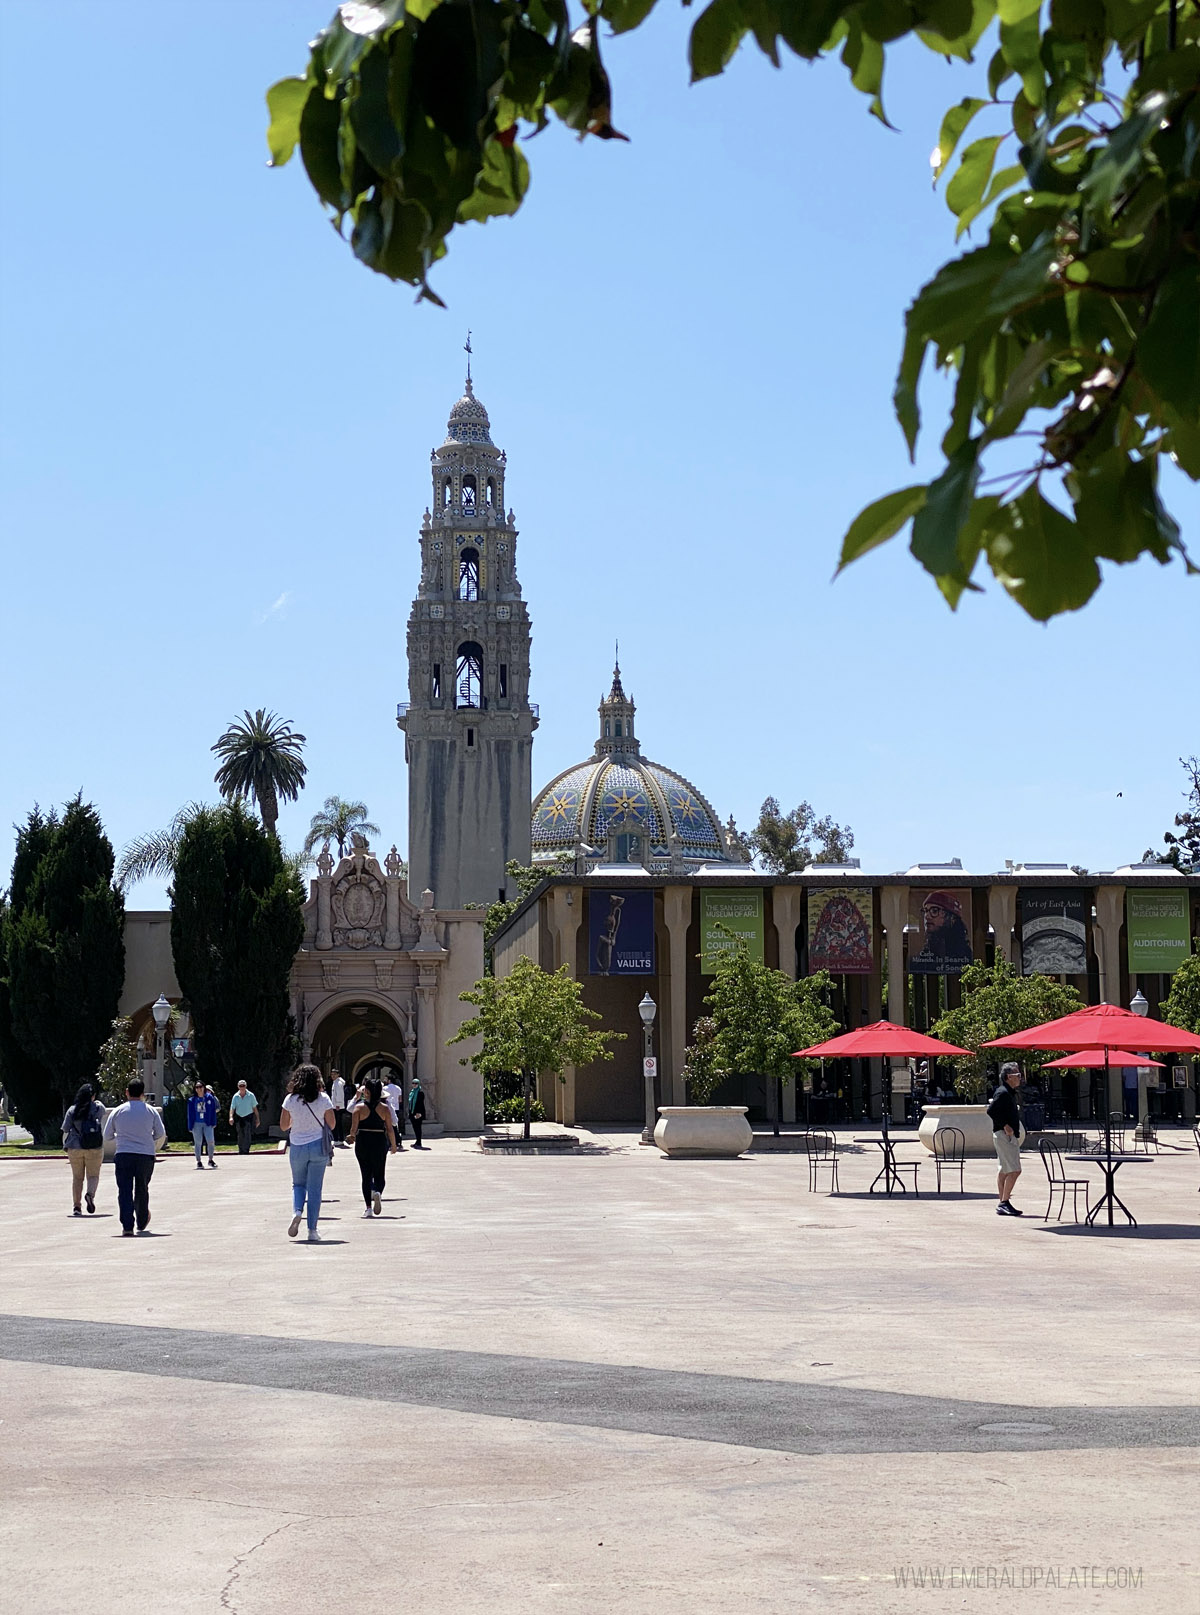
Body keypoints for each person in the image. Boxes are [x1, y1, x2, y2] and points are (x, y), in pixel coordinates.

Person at [280, 1063, 336, 1242]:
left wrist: (296, 1122)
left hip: (297, 1146)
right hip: (318, 1146)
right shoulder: (323, 1099)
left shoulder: (290, 1100)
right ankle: (312, 1229)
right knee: (315, 1189)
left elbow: (283, 1125)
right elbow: (332, 1124)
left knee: (298, 1184)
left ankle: (297, 1211)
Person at [102, 1078, 165, 1236]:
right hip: (145, 1155)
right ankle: (142, 1221)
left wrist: (121, 1136)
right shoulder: (150, 1111)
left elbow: (107, 1135)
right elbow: (160, 1133)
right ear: (143, 1094)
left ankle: (127, 1226)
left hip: (124, 1154)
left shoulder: (118, 1111)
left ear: (127, 1092)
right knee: (142, 1188)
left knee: (124, 1190)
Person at [346, 1077, 397, 1217]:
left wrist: (351, 1137)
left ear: (366, 1092)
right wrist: (393, 1145)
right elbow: (390, 1129)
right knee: (379, 1173)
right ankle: (377, 1192)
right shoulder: (385, 1108)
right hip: (379, 1140)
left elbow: (353, 1130)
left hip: (363, 1141)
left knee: (365, 1175)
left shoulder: (358, 1108)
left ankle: (368, 1208)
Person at [987, 1062, 1025, 1217]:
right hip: (1005, 1136)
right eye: (1018, 1075)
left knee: (1004, 1170)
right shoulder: (1003, 1093)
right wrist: (1005, 1125)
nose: (1020, 1078)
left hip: (1005, 1135)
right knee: (1015, 1170)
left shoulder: (1008, 1092)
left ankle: (1002, 1202)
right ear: (1009, 1077)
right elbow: (991, 1110)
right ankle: (1004, 1202)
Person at [62, 1082, 105, 1216]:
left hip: (75, 1146)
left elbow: (65, 1128)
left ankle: (76, 1206)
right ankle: (90, 1195)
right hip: (94, 1146)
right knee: (93, 1175)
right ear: (93, 1096)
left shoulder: (72, 1110)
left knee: (77, 1177)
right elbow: (102, 1109)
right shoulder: (98, 1108)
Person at [187, 1080, 219, 1169]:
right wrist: (190, 1126)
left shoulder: (209, 1098)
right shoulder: (192, 1100)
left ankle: (210, 1159)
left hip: (207, 1122)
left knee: (210, 1140)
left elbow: (213, 1111)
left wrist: (214, 1122)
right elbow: (190, 1114)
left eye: (200, 1087)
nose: (199, 1089)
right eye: (197, 1087)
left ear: (204, 1087)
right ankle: (199, 1161)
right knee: (198, 1142)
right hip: (196, 1123)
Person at [228, 1080, 260, 1154]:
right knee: (240, 1134)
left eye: (243, 1086)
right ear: (238, 1087)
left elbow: (255, 1108)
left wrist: (258, 1119)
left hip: (248, 1116)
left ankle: (246, 1150)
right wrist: (231, 1117)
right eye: (240, 1086)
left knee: (247, 1133)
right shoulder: (235, 1096)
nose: (242, 1087)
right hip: (239, 1117)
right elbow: (232, 1108)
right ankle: (241, 1149)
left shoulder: (251, 1095)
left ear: (246, 1086)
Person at [382, 1075, 405, 1147]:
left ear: (389, 1080)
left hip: (387, 1108)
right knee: (395, 1125)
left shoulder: (385, 1088)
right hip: (396, 1108)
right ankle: (397, 1139)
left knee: (387, 1126)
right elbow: (400, 1100)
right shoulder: (398, 1088)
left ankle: (388, 1141)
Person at [330, 1071, 348, 1146]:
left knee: (337, 1123)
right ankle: (338, 1138)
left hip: (337, 1106)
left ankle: (338, 1139)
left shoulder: (338, 1083)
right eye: (332, 1074)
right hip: (335, 1105)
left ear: (338, 1075)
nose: (333, 1076)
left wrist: (338, 1104)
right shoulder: (335, 1082)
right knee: (337, 1123)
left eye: (334, 1074)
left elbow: (340, 1095)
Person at [408, 1077, 427, 1148]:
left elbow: (420, 1104)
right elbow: (410, 1103)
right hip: (412, 1112)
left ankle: (419, 1141)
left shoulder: (420, 1093)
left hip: (418, 1113)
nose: (414, 1085)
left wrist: (418, 1113)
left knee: (418, 1127)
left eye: (416, 1083)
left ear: (418, 1084)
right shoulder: (412, 1092)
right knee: (415, 1127)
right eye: (413, 1083)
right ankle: (417, 1140)